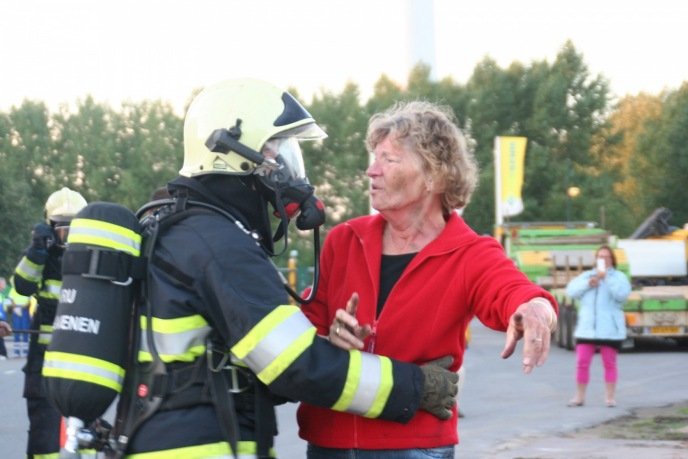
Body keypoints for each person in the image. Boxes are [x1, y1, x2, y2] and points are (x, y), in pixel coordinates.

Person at [115, 78, 458, 458]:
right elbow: (295, 367)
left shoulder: (185, 231)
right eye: (277, 153)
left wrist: (326, 345)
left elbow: (266, 369)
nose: (286, 170)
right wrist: (413, 387)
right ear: (236, 154)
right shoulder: (220, 245)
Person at [297, 100, 559, 458]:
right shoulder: (343, 240)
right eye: (374, 158)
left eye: (388, 159)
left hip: (413, 447)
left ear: (436, 175)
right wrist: (328, 337)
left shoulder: (470, 252)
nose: (372, 171)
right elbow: (304, 331)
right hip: (328, 442)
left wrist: (536, 308)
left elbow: (511, 290)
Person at [13, 186, 88, 459]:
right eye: (60, 230)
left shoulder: (92, 257)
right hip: (42, 366)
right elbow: (22, 286)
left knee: (82, 436)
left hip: (81, 362)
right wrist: (36, 253)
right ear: (49, 227)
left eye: (72, 229)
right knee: (44, 440)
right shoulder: (40, 257)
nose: (66, 237)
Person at [565, 245, 631, 408]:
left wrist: (606, 279)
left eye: (606, 257)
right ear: (596, 259)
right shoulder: (587, 275)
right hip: (587, 328)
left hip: (610, 329)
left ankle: (610, 397)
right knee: (582, 362)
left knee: (609, 363)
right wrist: (589, 283)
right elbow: (571, 291)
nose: (603, 260)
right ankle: (579, 397)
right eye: (600, 257)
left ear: (612, 260)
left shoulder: (619, 277)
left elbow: (622, 295)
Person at [0, 277, 10, 359]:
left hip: (2, 318)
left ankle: (3, 354)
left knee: (1, 335)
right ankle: (3, 354)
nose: (5, 286)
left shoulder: (2, 294)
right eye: (4, 284)